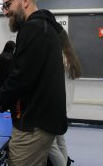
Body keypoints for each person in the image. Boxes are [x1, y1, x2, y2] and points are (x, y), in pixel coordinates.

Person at [0, 0, 68, 166]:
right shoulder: (45, 27)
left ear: (25, 1)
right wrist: (1, 104)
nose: (5, 12)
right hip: (42, 120)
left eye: (7, 5)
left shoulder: (32, 29)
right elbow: (29, 76)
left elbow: (20, 79)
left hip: (32, 125)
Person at [47, 13, 81, 166]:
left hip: (56, 105)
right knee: (60, 141)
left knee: (50, 144)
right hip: (65, 105)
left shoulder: (59, 57)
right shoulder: (71, 57)